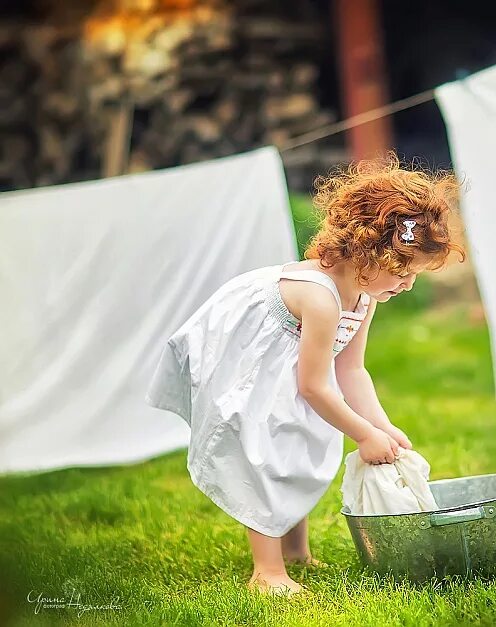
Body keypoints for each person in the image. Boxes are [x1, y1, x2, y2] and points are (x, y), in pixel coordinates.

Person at [144, 153, 466, 596]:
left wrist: (379, 425)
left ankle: (297, 551)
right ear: (370, 251)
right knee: (267, 455)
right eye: (404, 271)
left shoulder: (363, 298)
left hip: (291, 369)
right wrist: (362, 436)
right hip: (250, 363)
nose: (408, 284)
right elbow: (313, 385)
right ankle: (268, 572)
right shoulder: (321, 298)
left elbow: (351, 369)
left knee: (302, 441)